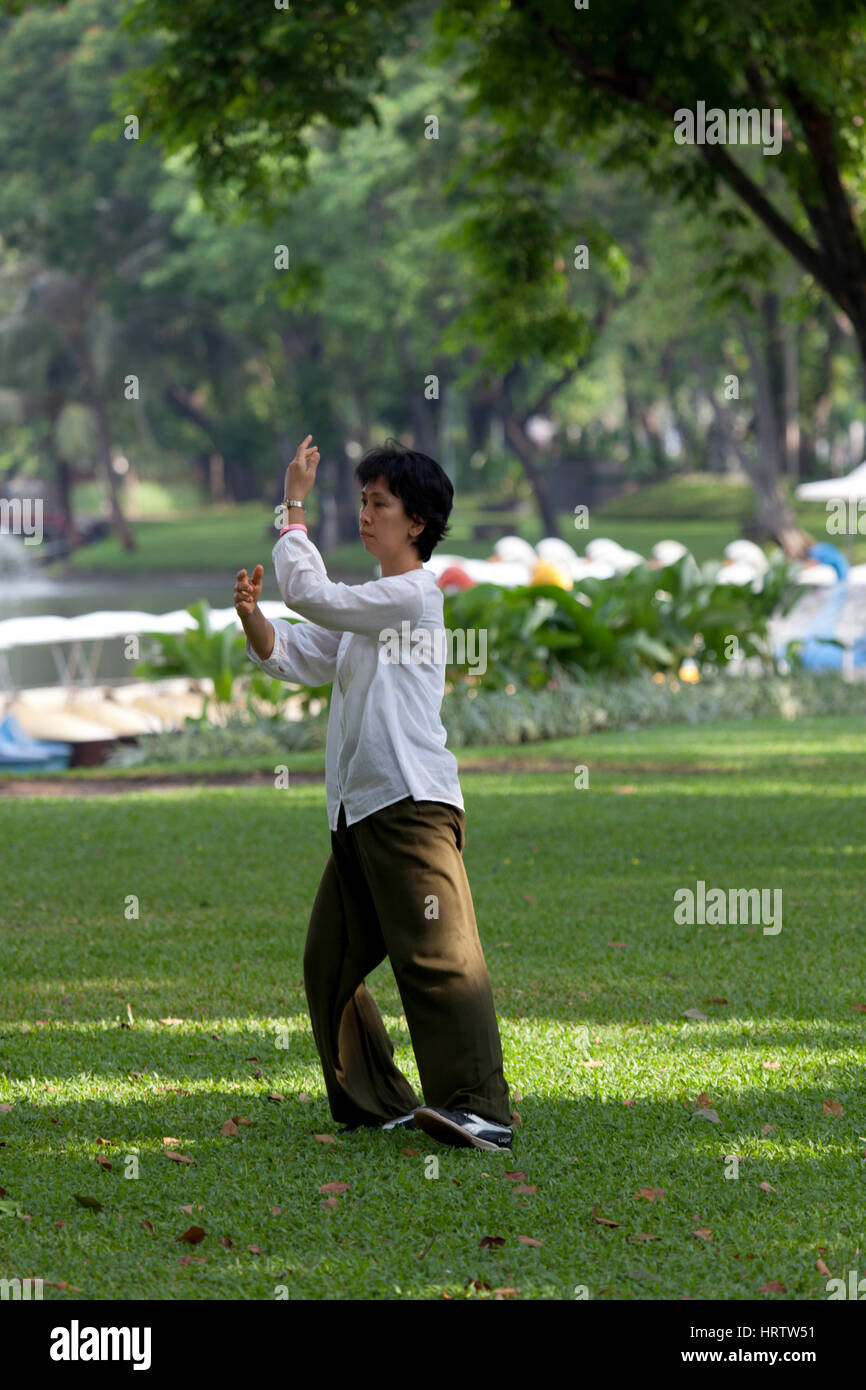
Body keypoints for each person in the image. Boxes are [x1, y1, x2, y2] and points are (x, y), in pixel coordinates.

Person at [234, 434, 513, 1152]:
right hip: (359, 812)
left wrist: (293, 505)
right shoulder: (373, 608)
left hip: (411, 804)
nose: (365, 514)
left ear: (415, 522)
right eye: (362, 500)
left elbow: (312, 594)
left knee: (438, 958)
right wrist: (254, 622)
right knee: (328, 963)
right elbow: (301, 651)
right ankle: (378, 1101)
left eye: (379, 503)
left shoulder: (413, 594)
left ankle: (482, 1110)